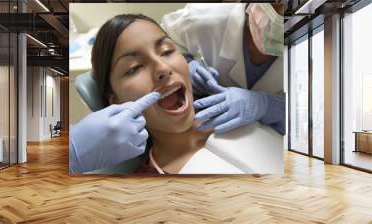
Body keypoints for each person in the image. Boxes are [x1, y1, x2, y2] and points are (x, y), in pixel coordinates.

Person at [70, 3, 285, 173]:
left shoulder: (247, 116)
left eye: (166, 51)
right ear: (115, 102)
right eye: (134, 68)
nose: (162, 68)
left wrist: (268, 106)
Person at [161, 3, 285, 135]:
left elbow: (307, 121)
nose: (282, 14)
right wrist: (185, 64)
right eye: (277, 2)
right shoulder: (198, 19)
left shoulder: (308, 50)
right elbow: (157, 44)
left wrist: (269, 106)